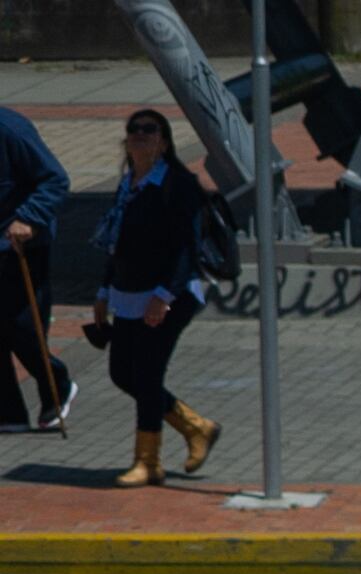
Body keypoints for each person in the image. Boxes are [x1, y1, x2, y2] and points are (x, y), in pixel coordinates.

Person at [88, 110, 217, 487]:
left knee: (146, 374)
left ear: (163, 142)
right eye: (134, 130)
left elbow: (186, 248)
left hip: (169, 294)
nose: (140, 135)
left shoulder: (178, 185)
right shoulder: (130, 183)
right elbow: (118, 244)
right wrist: (102, 292)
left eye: (150, 130)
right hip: (128, 294)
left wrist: (163, 295)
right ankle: (197, 427)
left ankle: (148, 462)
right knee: (122, 373)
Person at [0, 99, 66, 433]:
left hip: (19, 245)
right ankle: (8, 411)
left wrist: (28, 217)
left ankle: (57, 386)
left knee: (24, 328)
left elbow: (54, 180)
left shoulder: (10, 128)